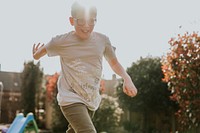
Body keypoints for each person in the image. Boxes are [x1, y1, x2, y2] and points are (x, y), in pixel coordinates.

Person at [32, 1, 137, 133]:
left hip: (90, 99)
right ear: (71, 21)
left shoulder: (102, 40)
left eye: (92, 21)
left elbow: (114, 63)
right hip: (70, 98)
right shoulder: (61, 41)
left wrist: (127, 78)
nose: (87, 26)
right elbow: (40, 53)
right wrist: (35, 54)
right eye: (81, 21)